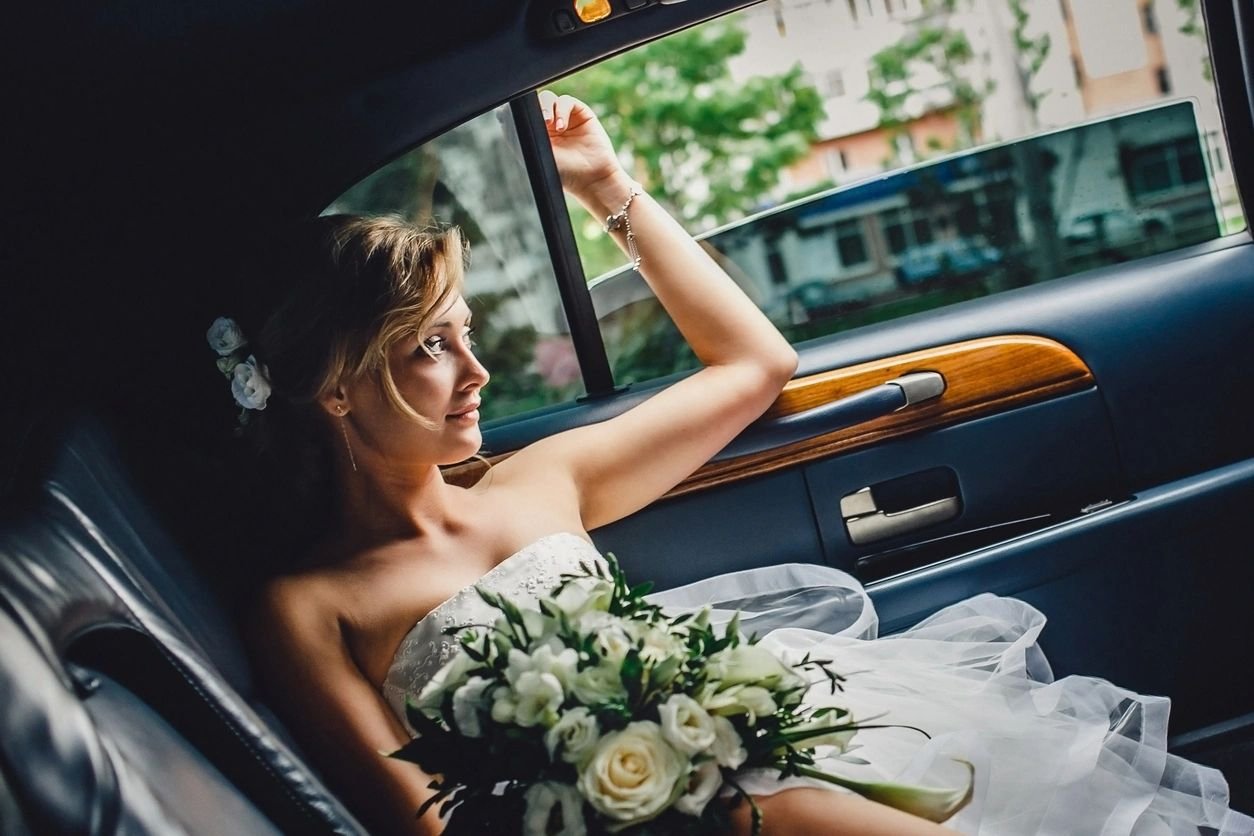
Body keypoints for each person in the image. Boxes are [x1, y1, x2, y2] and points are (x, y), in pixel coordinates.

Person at [240, 92, 1251, 836]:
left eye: (465, 332)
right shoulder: (310, 605)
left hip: (764, 752)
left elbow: (757, 363)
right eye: (431, 346)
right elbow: (426, 828)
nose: (477, 368)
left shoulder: (537, 481)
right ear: (335, 387)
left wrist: (608, 189)